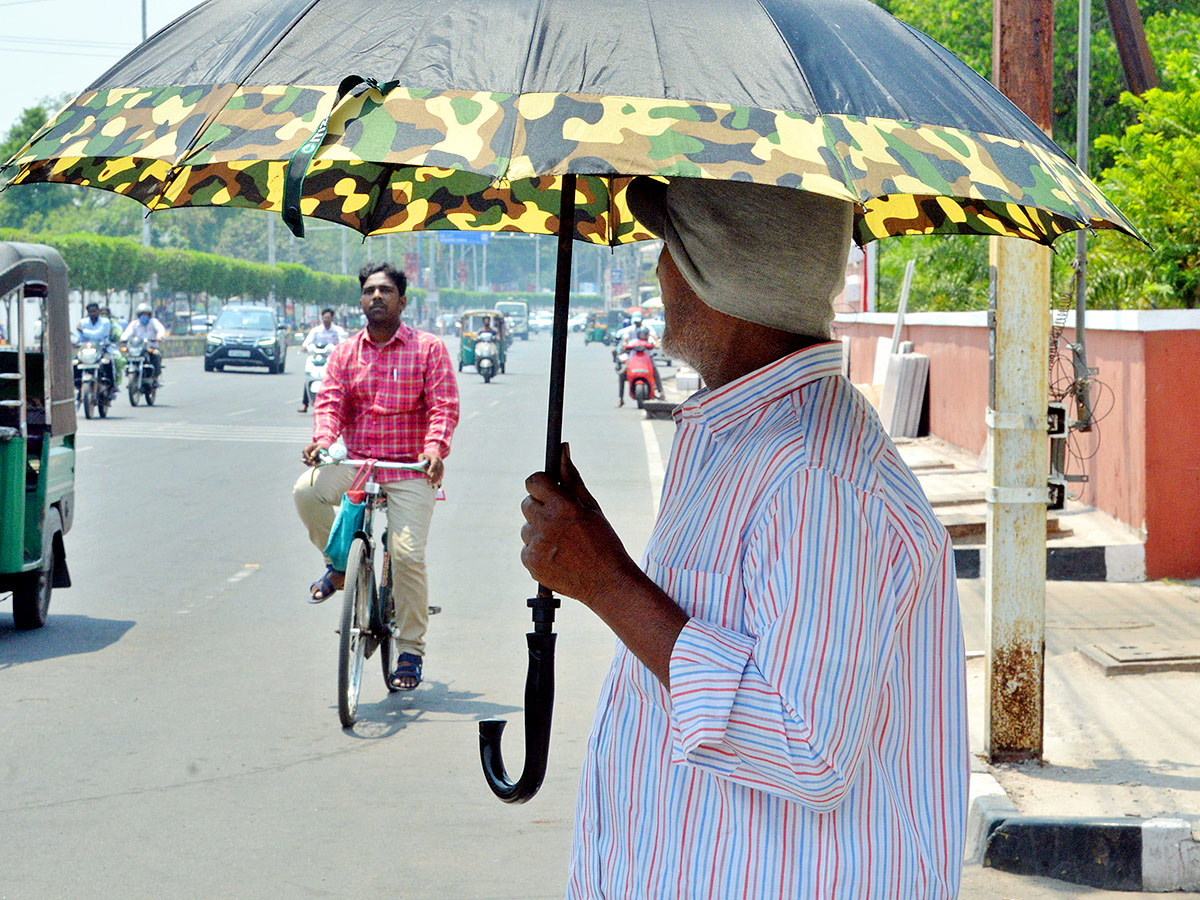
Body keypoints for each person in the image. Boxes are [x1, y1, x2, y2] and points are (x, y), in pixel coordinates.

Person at [519, 177, 967, 899]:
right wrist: (597, 557)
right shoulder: (743, 436)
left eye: (671, 248)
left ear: (717, 271)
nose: (659, 270)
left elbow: (805, 745)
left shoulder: (816, 474)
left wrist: (605, 583)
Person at [294, 262, 459, 691]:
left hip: (410, 468)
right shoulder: (345, 352)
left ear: (402, 302)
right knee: (306, 491)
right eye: (369, 291)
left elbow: (444, 407)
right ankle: (340, 565)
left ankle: (409, 652)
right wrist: (322, 440)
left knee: (405, 555)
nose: (377, 297)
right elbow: (330, 404)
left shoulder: (429, 348)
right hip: (359, 464)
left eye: (386, 290)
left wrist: (433, 449)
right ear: (361, 301)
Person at [298, 307, 347, 412]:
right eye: (324, 318)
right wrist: (305, 347)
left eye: (328, 318)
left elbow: (344, 344)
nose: (326, 320)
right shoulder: (316, 331)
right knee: (309, 376)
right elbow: (306, 343)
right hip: (317, 357)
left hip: (333, 359)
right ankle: (304, 404)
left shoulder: (338, 331)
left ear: (332, 318)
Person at [614, 315, 663, 406]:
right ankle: (621, 399)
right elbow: (625, 340)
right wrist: (625, 345)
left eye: (644, 334)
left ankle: (661, 392)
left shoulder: (648, 332)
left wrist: (656, 343)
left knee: (655, 371)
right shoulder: (631, 333)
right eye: (641, 334)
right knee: (622, 374)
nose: (643, 335)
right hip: (633, 359)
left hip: (647, 358)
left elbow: (655, 339)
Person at [76, 302, 122, 387]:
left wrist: (83, 331)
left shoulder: (105, 322)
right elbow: (80, 338)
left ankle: (111, 386)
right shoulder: (83, 322)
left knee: (108, 362)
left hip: (103, 349)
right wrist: (77, 341)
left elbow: (98, 334)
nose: (92, 314)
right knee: (75, 362)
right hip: (87, 351)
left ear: (98, 311)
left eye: (94, 311)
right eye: (90, 312)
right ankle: (78, 386)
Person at [120, 303, 167, 382]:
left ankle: (154, 377)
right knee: (127, 356)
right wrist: (123, 338)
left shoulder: (154, 322)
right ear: (139, 315)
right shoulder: (134, 324)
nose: (144, 316)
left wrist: (159, 337)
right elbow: (127, 333)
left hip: (151, 347)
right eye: (142, 314)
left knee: (156, 355)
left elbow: (160, 330)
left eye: (146, 314)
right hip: (137, 349)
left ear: (150, 315)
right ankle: (129, 372)